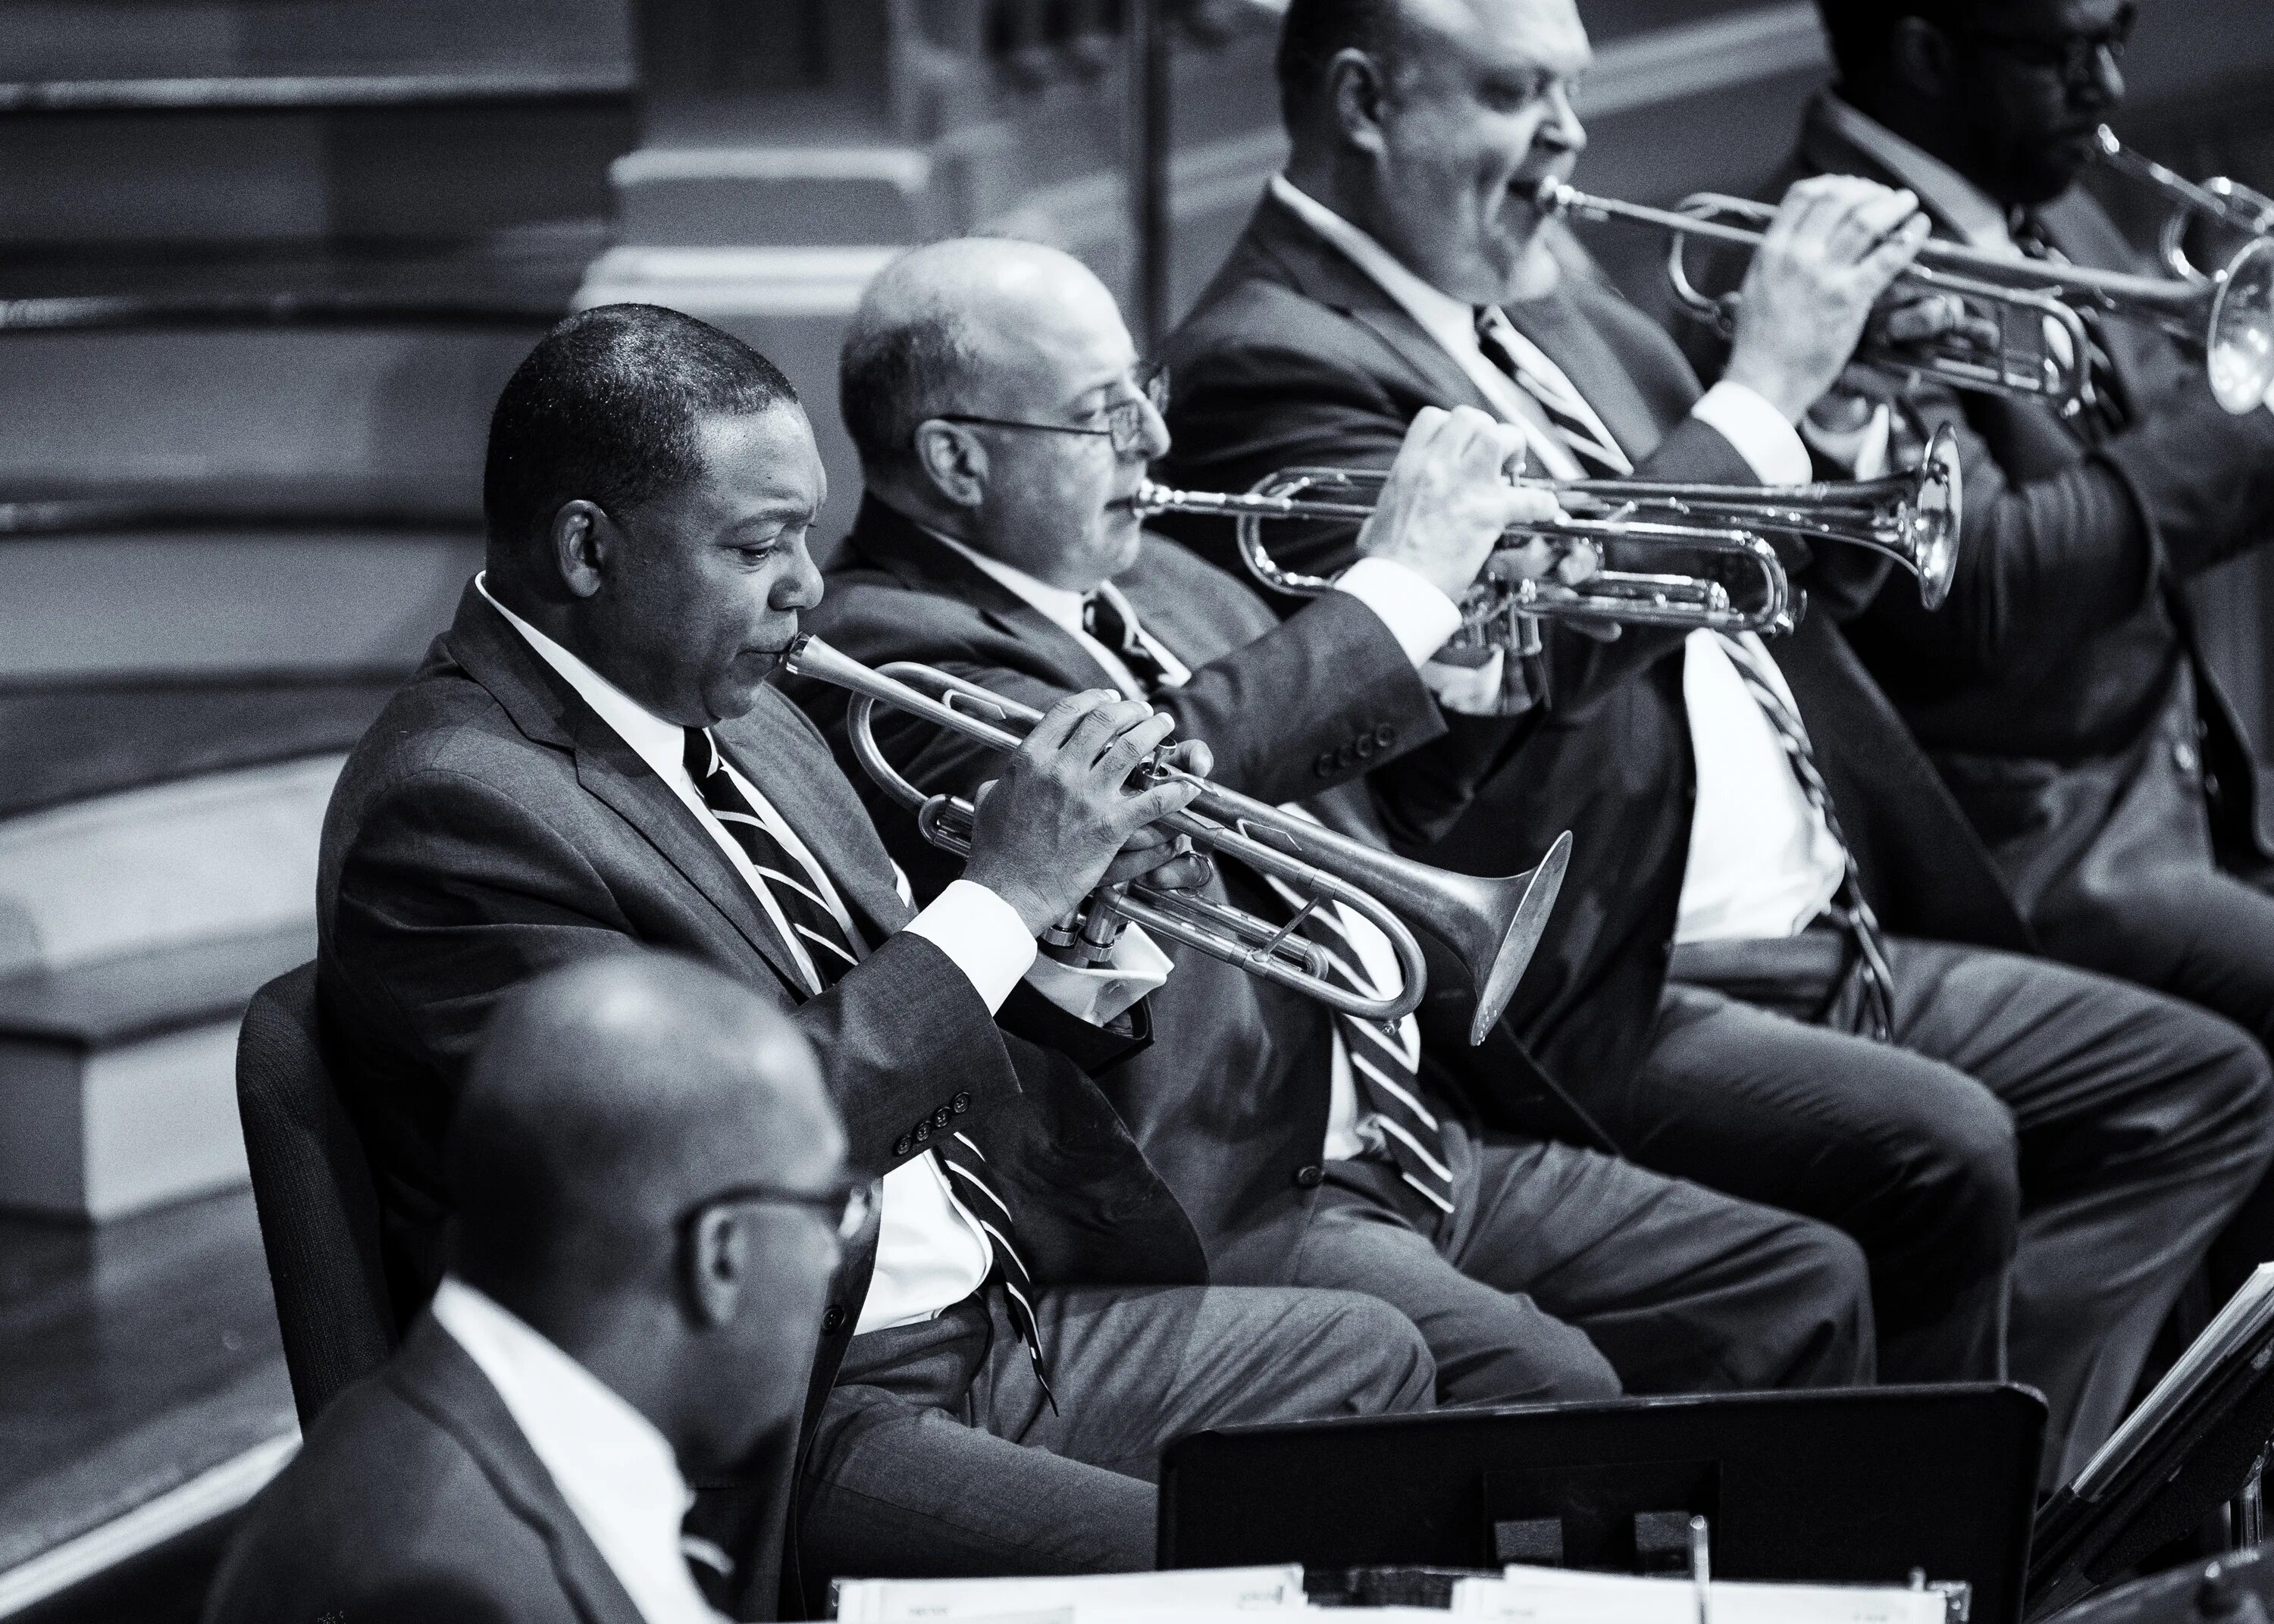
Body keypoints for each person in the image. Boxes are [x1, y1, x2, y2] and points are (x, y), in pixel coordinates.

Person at [1154, 0, 2274, 1483]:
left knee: (2200, 1082)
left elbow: (1809, 564)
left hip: (1820, 915)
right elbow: (1507, 659)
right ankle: (1950, 1530)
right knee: (1945, 1149)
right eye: (1513, 95)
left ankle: (2054, 1508)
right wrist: (1765, 387)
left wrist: (1857, 402)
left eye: (1569, 92)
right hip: (1591, 977)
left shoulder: (1555, 309)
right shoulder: (1269, 355)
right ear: (1365, 103)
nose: (1567, 138)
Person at [315, 303, 1438, 1604]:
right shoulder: (457, 808)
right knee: (1234, 1573)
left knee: (1373, 1358)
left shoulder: (750, 708)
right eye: (758, 544)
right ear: (587, 548)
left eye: (804, 531)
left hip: (989, 1313)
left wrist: (1072, 920)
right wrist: (1005, 893)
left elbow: (894, 997)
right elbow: (723, 1154)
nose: (806, 585)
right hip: (782, 1405)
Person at [791, 234, 1876, 1407]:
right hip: (1235, 1174)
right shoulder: (888, 640)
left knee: (1805, 1276)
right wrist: (1398, 591)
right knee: (1553, 1384)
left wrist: (1474, 663)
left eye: (1145, 395)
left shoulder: (1169, 579)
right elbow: (1149, 775)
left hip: (1405, 1117)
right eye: (1104, 414)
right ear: (955, 457)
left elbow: (1387, 805)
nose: (1155, 441)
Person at [1724, 0, 2274, 1299]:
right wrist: (2248, 427)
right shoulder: (1817, 259)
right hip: (2022, 852)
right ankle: (2128, 1481)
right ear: (1925, 45)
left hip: (2162, 791)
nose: (2108, 82)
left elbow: (2128, 466)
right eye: (2062, 50)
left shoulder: (2050, 202)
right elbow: (1981, 594)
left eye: (2118, 33)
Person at [207, 953, 858, 1624]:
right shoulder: (450, 1593)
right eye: (829, 1210)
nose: (832, 1253)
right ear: (720, 1253)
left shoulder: (491, 1453)